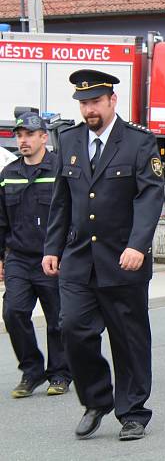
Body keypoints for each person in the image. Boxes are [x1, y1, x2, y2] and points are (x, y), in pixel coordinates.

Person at [43, 69, 164, 441]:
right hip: (79, 258)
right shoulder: (69, 139)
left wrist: (137, 244)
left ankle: (133, 412)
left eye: (95, 101)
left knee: (128, 338)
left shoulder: (139, 142)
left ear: (113, 101)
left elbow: (149, 196)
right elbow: (61, 199)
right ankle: (96, 399)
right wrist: (52, 247)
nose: (89, 109)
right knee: (73, 328)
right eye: (83, 103)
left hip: (123, 259)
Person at [1, 112, 70, 398]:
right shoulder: (8, 175)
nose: (23, 140)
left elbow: (71, 215)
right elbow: (1, 220)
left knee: (57, 319)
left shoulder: (59, 170)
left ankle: (60, 373)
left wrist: (69, 252)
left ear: (44, 137)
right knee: (13, 312)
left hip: (52, 256)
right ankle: (32, 371)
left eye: (29, 134)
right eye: (19, 135)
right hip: (19, 257)